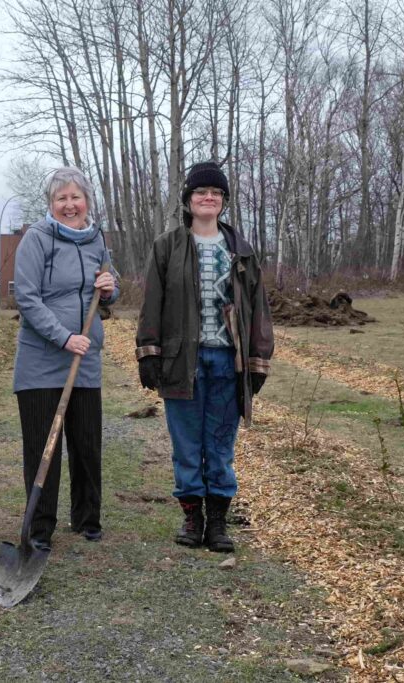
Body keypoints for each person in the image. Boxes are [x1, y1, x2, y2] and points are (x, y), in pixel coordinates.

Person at [135, 161, 274, 553]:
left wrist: (258, 360)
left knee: (220, 445)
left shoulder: (241, 251)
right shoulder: (167, 247)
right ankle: (192, 518)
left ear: (224, 201)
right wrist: (149, 352)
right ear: (188, 199)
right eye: (200, 192)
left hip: (229, 363)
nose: (208, 198)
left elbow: (258, 309)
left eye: (215, 192)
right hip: (182, 361)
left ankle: (218, 523)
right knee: (186, 445)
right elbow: (152, 303)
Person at [13, 167, 119, 552]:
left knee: (87, 443)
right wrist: (63, 337)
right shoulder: (36, 239)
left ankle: (87, 518)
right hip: (42, 360)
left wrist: (109, 287)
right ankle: (40, 528)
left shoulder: (96, 239)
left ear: (87, 201)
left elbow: (110, 285)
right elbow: (26, 298)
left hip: (84, 359)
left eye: (76, 197)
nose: (70, 205)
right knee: (44, 447)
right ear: (51, 203)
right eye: (62, 198)